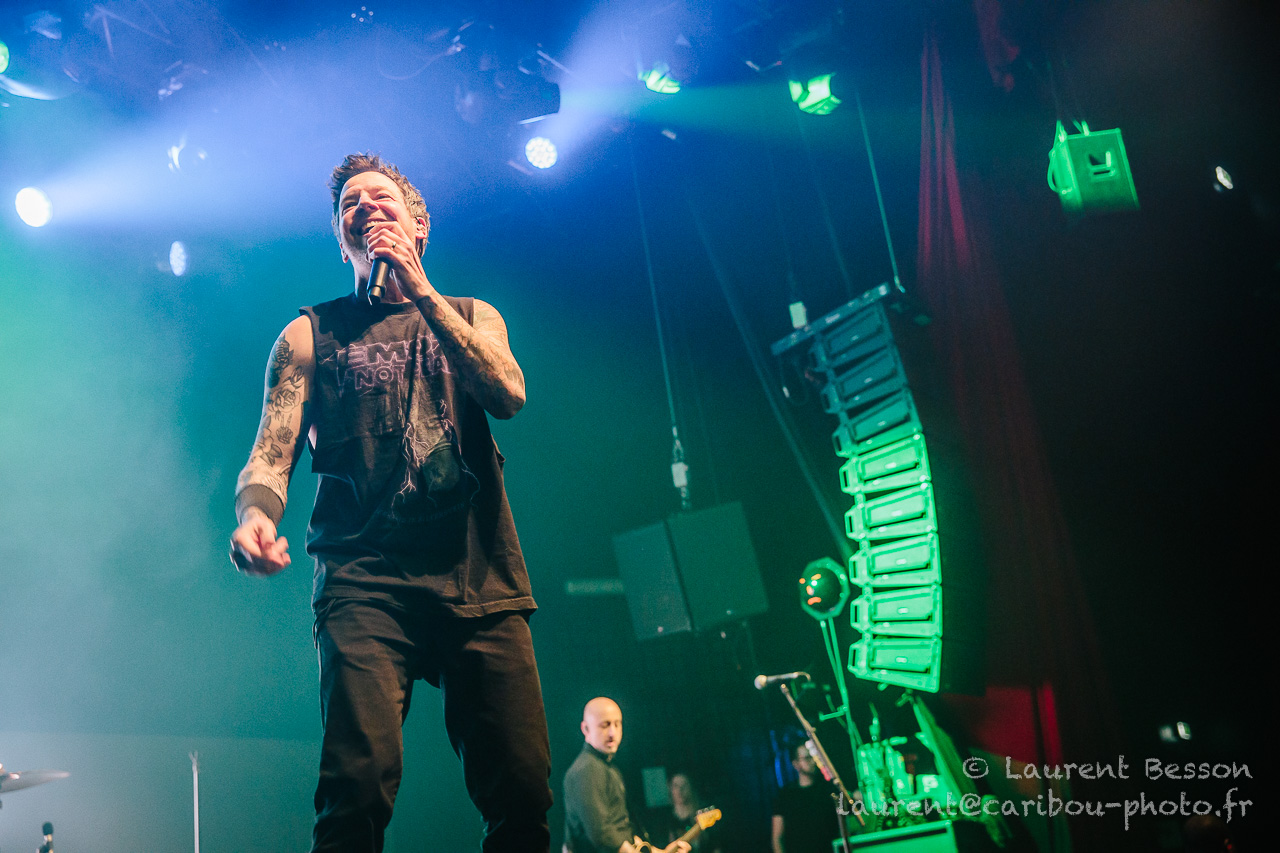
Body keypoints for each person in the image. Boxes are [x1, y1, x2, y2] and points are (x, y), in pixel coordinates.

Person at [228, 152, 551, 853]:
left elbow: (508, 394)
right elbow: (271, 452)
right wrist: (255, 518)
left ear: (418, 225)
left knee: (522, 791)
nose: (366, 206)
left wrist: (421, 290)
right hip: (364, 581)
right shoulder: (308, 336)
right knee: (356, 787)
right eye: (351, 202)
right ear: (340, 235)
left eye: (382, 197)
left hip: (480, 578)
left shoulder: (473, 314)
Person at [563, 697, 691, 853]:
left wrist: (659, 852)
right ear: (585, 728)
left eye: (617, 724)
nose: (612, 732)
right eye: (605, 725)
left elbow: (622, 832)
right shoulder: (586, 770)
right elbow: (601, 833)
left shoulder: (609, 768)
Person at [771, 743, 840, 853]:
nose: (812, 761)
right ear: (796, 764)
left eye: (813, 757)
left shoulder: (829, 790)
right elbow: (777, 837)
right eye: (807, 758)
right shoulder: (786, 795)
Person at [650, 772, 721, 853]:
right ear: (670, 788)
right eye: (676, 786)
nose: (680, 790)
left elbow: (715, 847)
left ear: (691, 787)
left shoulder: (700, 816)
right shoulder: (663, 820)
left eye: (684, 785)